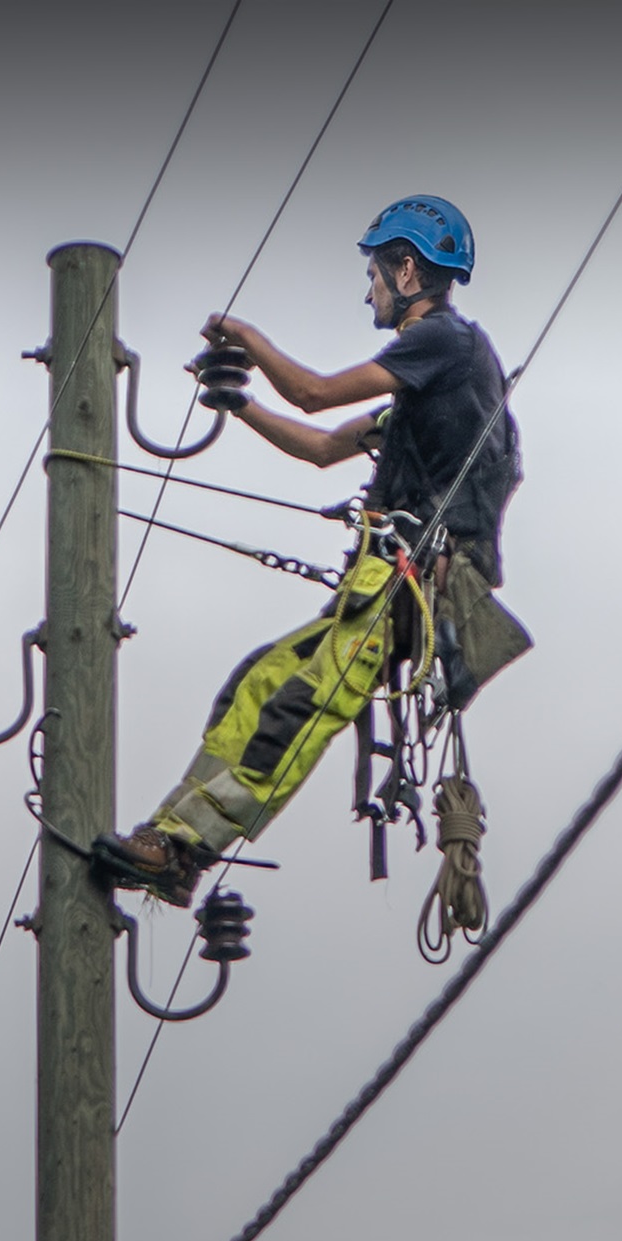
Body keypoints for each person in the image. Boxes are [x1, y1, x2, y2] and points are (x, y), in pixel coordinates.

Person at [95, 194, 521, 907]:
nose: (369, 292)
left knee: (296, 706)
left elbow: (315, 395)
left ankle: (184, 843)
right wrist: (237, 404)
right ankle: (174, 842)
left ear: (407, 269)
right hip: (385, 581)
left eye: (375, 277)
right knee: (258, 683)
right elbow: (325, 448)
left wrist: (247, 337)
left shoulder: (443, 342)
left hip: (415, 581)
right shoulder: (432, 386)